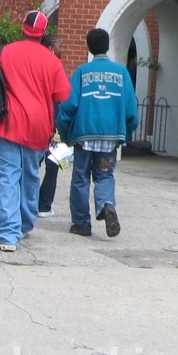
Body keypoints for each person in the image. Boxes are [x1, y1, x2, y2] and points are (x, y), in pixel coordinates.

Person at [0, 11, 69, 252]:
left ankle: (8, 233)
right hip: (38, 125)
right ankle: (23, 223)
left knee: (8, 175)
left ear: (22, 28)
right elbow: (62, 94)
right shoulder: (52, 60)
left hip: (7, 123)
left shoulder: (2, 53)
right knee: (30, 175)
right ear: (43, 33)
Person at [56, 28, 139, 239]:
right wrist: (125, 134)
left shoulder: (82, 72)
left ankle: (81, 223)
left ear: (89, 47)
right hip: (110, 138)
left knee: (81, 178)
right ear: (107, 46)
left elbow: (68, 107)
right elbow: (131, 110)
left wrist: (65, 133)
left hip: (84, 136)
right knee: (105, 175)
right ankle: (107, 205)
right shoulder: (121, 73)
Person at [37, 34, 63, 218]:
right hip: (51, 123)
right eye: (60, 46)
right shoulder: (55, 67)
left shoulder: (35, 65)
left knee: (31, 164)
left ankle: (26, 200)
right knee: (52, 165)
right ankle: (44, 205)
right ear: (52, 48)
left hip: (35, 121)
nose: (62, 49)